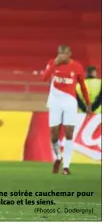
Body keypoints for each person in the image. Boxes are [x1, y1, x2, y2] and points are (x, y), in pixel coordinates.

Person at [42, 45, 91, 175]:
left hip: (69, 101)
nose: (62, 56)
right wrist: (53, 66)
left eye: (64, 54)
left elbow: (83, 86)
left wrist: (88, 103)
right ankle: (58, 157)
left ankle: (66, 166)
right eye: (60, 54)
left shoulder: (77, 67)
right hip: (55, 101)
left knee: (69, 133)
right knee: (54, 135)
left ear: (69, 54)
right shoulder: (53, 63)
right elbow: (44, 78)